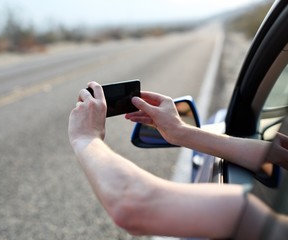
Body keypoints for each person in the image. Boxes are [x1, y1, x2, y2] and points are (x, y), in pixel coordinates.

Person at [68, 81, 287, 239]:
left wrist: (86, 139)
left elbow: (133, 205)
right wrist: (180, 132)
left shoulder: (255, 217)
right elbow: (280, 154)